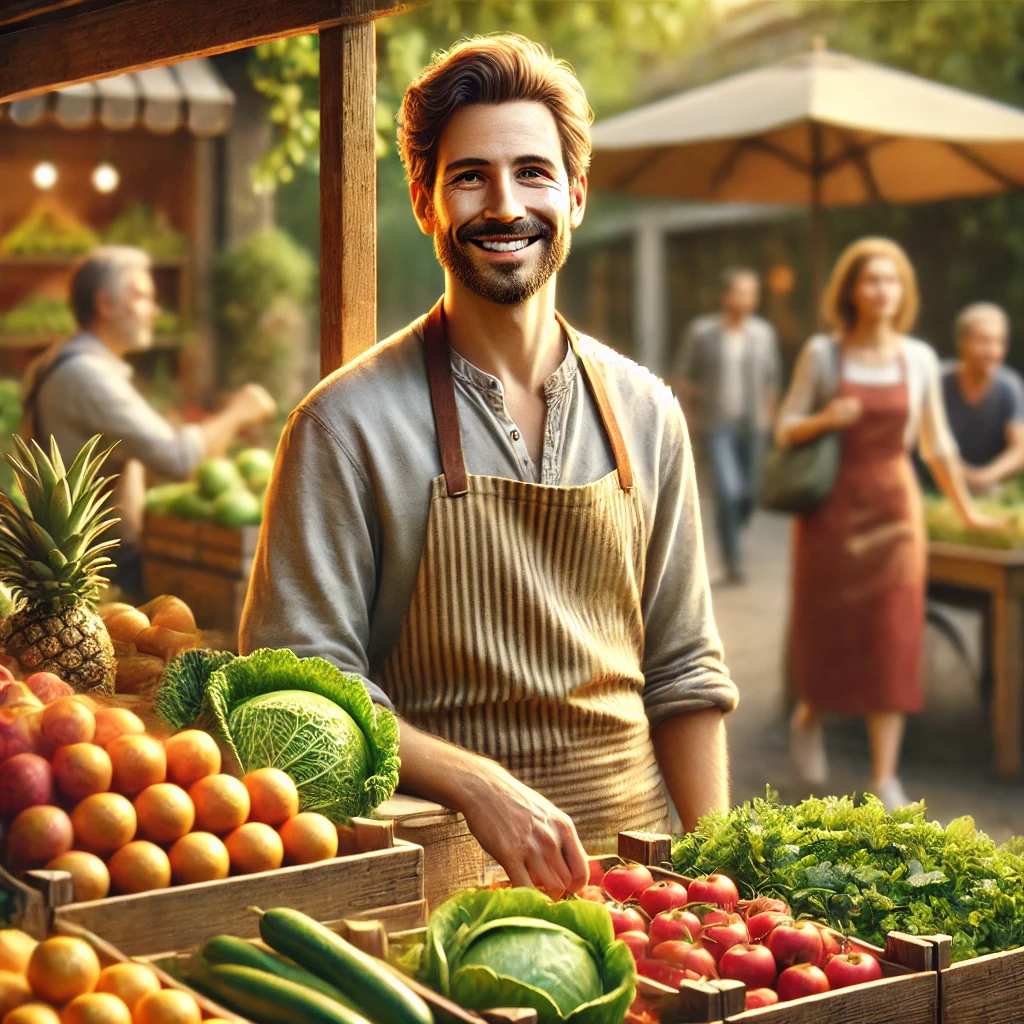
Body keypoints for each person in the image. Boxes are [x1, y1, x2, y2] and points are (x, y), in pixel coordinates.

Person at [241, 34, 738, 893]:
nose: (504, 205)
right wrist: (475, 781)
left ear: (576, 196)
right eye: (470, 176)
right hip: (443, 894)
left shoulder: (647, 411)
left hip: (643, 885)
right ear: (426, 201)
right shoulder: (343, 426)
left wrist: (720, 881)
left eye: (533, 173)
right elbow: (297, 695)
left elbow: (686, 674)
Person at [778, 238, 1000, 811]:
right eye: (871, 279)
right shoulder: (823, 355)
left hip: (897, 512)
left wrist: (969, 509)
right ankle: (809, 714)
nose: (882, 290)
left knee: (893, 635)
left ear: (904, 292)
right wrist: (827, 418)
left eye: (892, 280)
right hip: (831, 511)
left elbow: (938, 446)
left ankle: (884, 776)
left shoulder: (920, 358)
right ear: (850, 289)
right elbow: (785, 428)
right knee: (827, 628)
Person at [23, 245, 276, 594]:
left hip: (80, 562)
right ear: (105, 305)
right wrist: (240, 410)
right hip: (97, 573)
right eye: (142, 297)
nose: (155, 311)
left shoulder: (54, 362)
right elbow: (179, 459)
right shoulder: (87, 375)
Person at [675, 269, 781, 583]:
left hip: (754, 424)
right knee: (728, 491)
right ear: (726, 297)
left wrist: (770, 417)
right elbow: (684, 374)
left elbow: (771, 380)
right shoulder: (702, 332)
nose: (748, 299)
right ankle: (733, 559)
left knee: (750, 493)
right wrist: (690, 411)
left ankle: (735, 529)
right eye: (741, 292)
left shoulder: (763, 334)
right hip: (716, 423)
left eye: (753, 293)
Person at [942, 303, 1024, 492]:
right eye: (983, 341)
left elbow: (1020, 450)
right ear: (962, 342)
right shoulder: (938, 382)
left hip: (991, 489)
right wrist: (959, 474)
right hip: (936, 484)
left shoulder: (1010, 386)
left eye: (999, 342)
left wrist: (983, 478)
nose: (993, 350)